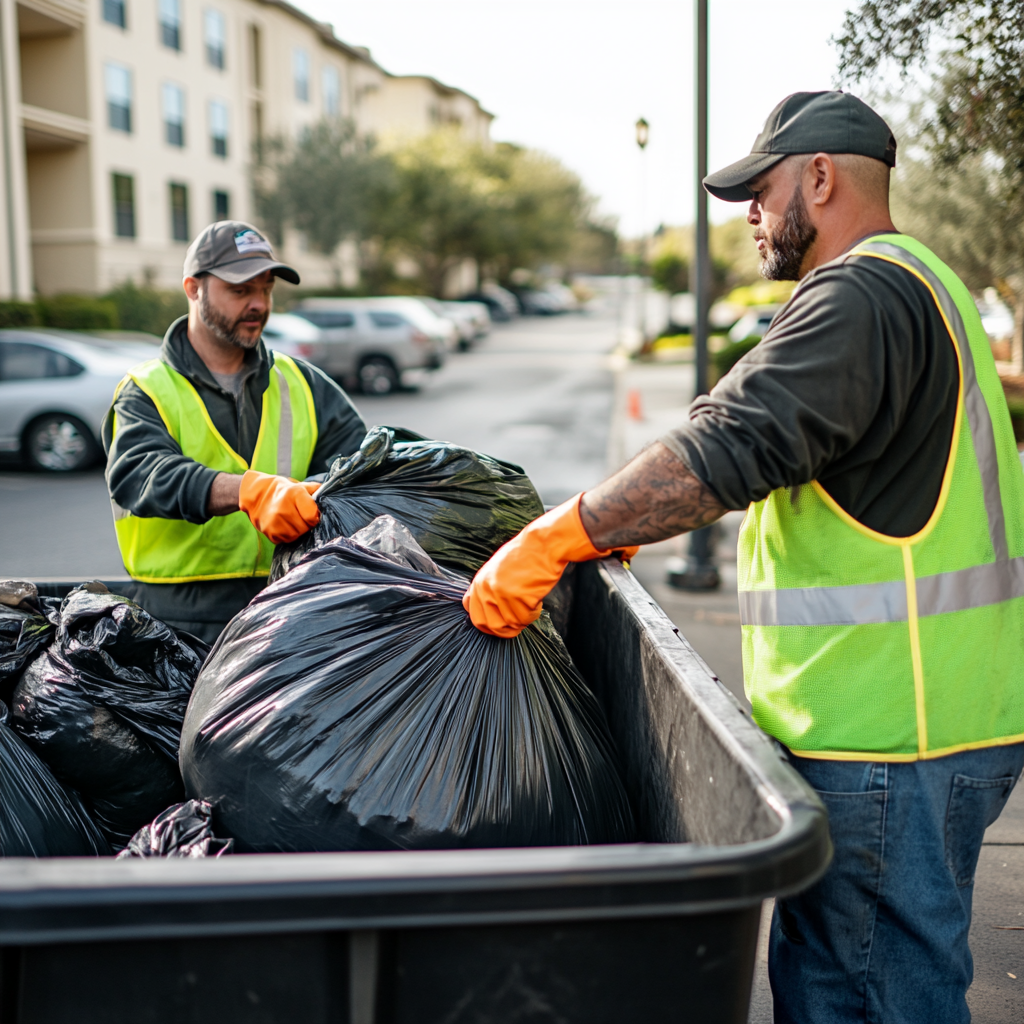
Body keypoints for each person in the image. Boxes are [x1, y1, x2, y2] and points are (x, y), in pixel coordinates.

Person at [464, 92, 1024, 1023]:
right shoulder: (926, 281)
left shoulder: (859, 294)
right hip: (933, 722)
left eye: (758, 193)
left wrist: (560, 535)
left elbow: (729, 445)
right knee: (842, 982)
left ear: (819, 176)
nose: (750, 217)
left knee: (876, 996)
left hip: (892, 733)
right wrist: (632, 516)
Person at [104, 221, 366, 643]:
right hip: (178, 624)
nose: (259, 304)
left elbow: (358, 466)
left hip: (288, 608)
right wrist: (245, 490)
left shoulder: (301, 381)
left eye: (266, 290)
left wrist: (315, 489)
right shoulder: (147, 390)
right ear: (193, 288)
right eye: (241, 290)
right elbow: (139, 474)